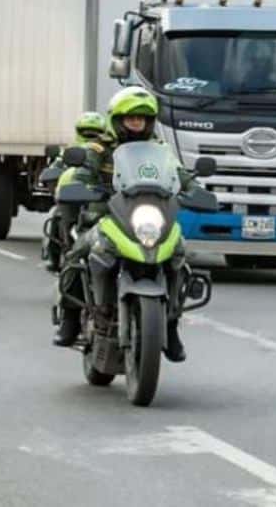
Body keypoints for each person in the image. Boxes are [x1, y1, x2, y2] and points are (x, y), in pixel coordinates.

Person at [52, 87, 197, 362]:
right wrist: (82, 185)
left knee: (179, 253)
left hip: (149, 219)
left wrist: (196, 188)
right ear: (118, 120)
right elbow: (83, 173)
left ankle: (170, 324)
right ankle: (69, 319)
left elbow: (181, 176)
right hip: (105, 216)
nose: (136, 124)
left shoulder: (162, 151)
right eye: (130, 119)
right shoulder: (100, 148)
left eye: (141, 119)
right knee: (75, 255)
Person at [42, 112, 114, 272]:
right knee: (58, 216)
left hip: (110, 200)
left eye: (95, 132)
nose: (90, 135)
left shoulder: (113, 149)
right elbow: (55, 168)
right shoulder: (71, 150)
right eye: (86, 131)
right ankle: (57, 258)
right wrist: (57, 175)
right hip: (79, 196)